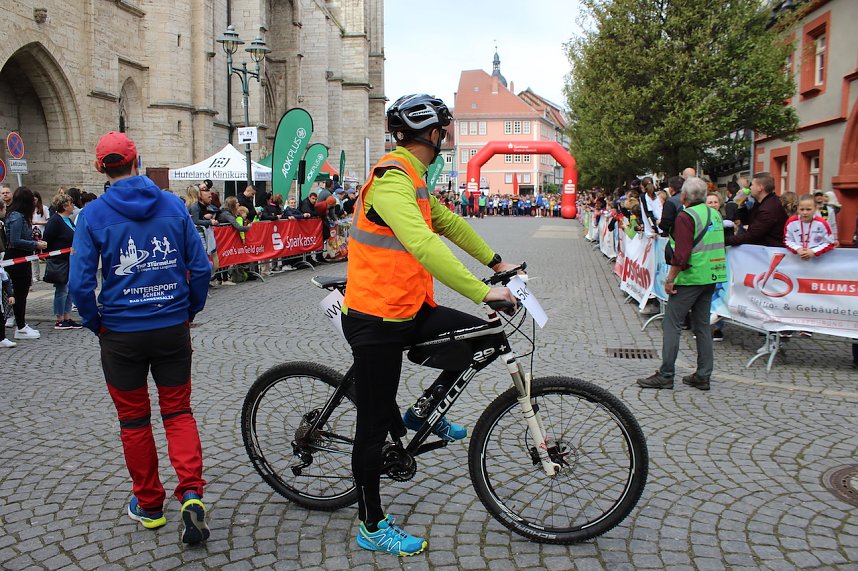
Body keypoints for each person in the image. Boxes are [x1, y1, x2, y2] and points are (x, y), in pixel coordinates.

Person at [340, 94, 518, 556]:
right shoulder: (390, 180)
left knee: (484, 339)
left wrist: (497, 262)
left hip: (409, 308)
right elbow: (423, 244)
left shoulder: (414, 180)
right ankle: (371, 525)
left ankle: (420, 414)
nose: (446, 137)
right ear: (433, 134)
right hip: (375, 318)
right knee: (372, 428)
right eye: (445, 130)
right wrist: (483, 291)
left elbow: (450, 225)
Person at [69, 131, 212, 544]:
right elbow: (201, 268)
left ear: (101, 168)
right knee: (178, 412)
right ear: (138, 161)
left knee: (134, 421)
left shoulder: (92, 215)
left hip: (121, 334)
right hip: (170, 327)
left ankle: (149, 505)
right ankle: (191, 494)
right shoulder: (173, 205)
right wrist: (188, 311)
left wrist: (96, 322)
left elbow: (80, 284)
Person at [637, 177, 726, 391]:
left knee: (672, 324)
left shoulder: (687, 216)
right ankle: (703, 374)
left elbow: (682, 254)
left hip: (690, 277)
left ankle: (666, 374)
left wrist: (670, 279)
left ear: (684, 196)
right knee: (702, 326)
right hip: (711, 275)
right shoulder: (714, 214)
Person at [5, 186, 47, 340]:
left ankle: (21, 324)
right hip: (17, 258)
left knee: (21, 293)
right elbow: (15, 240)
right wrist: (35, 244)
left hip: (21, 257)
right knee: (20, 294)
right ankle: (21, 327)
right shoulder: (17, 217)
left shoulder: (18, 215)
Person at [42, 192, 81, 330]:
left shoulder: (68, 220)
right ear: (64, 206)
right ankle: (59, 319)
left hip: (70, 260)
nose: (73, 206)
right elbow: (47, 241)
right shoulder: (55, 221)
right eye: (71, 204)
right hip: (60, 261)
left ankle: (67, 317)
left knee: (69, 289)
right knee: (62, 290)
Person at [726, 172, 788, 248]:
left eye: (752, 185)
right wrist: (741, 205)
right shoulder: (762, 203)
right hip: (765, 249)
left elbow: (752, 235)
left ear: (760, 187)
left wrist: (725, 241)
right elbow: (748, 221)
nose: (750, 188)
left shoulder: (768, 208)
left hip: (772, 251)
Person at [783, 194, 835, 259]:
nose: (805, 212)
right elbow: (787, 240)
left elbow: (830, 243)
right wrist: (798, 249)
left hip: (818, 260)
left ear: (815, 208)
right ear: (797, 209)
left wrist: (814, 251)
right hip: (797, 259)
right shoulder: (791, 222)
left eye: (808, 209)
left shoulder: (822, 223)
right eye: (802, 209)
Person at [31, 191, 50, 282]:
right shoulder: (30, 209)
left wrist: (38, 223)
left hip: (42, 233)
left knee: (45, 254)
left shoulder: (44, 208)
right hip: (32, 234)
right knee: (34, 256)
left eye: (35, 199)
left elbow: (48, 221)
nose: (33, 201)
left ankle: (48, 273)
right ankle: (36, 275)